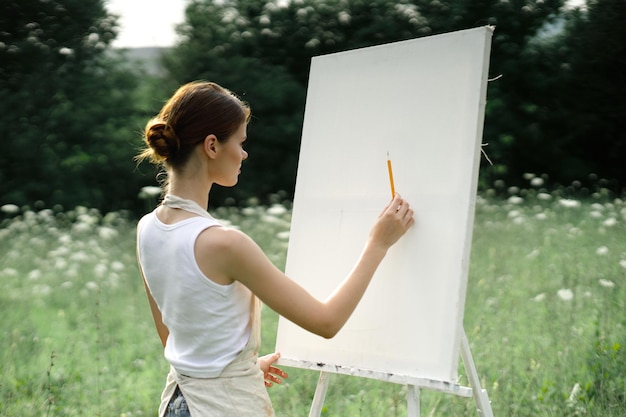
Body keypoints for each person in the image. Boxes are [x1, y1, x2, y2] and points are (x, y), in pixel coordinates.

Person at [135, 81, 414, 417]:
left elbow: (174, 339)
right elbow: (326, 322)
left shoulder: (147, 228)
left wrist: (239, 370)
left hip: (178, 403)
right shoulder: (224, 243)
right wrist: (378, 243)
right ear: (211, 146)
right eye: (240, 143)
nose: (244, 154)